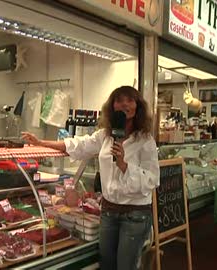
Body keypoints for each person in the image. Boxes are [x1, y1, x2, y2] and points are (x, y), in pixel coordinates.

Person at [22, 86, 159, 270]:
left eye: (130, 100)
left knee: (126, 266)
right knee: (107, 265)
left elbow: (152, 180)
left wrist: (124, 165)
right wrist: (41, 142)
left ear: (137, 106)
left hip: (135, 214)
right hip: (109, 211)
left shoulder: (145, 140)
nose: (124, 104)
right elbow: (79, 145)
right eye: (119, 100)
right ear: (112, 106)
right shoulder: (105, 136)